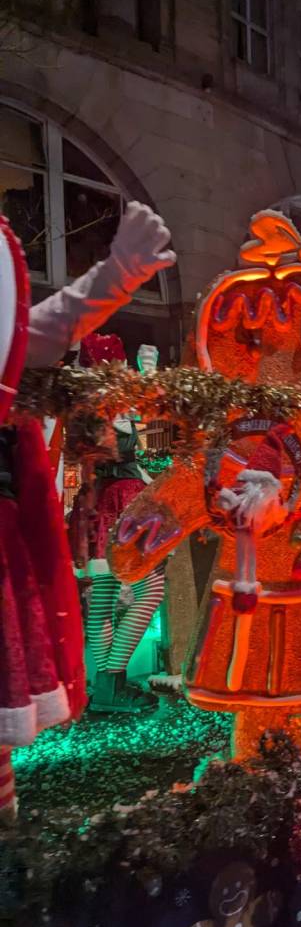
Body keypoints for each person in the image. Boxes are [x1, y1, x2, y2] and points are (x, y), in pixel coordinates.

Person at [0, 202, 174, 820]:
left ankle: (106, 682)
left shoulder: (96, 404)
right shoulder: (96, 407)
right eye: (119, 361)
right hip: (111, 507)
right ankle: (111, 677)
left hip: (96, 508)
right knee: (145, 589)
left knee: (105, 599)